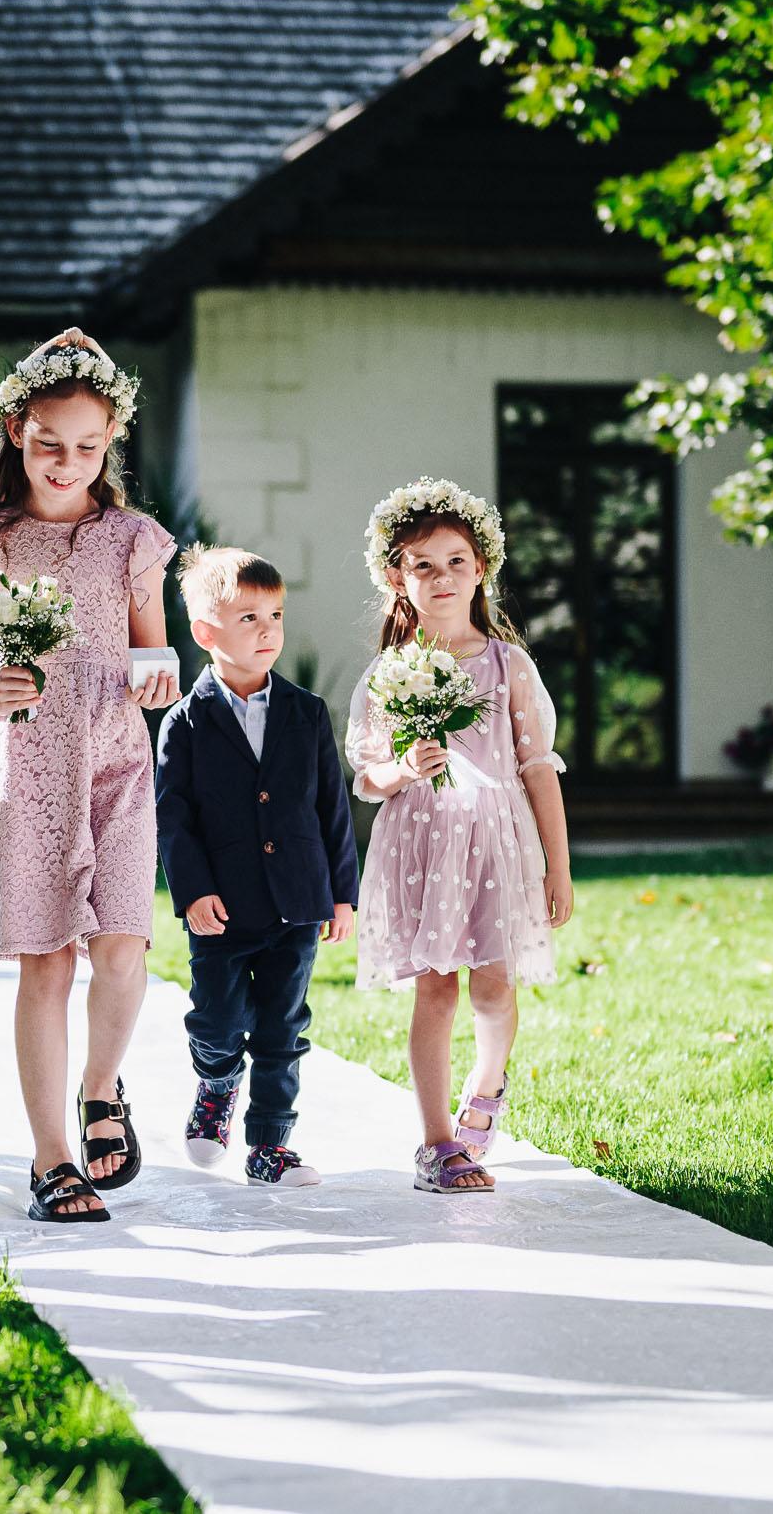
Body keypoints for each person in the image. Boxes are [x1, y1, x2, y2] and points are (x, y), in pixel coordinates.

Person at [0, 331, 181, 1224]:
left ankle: (101, 1085)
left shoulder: (133, 541)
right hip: (26, 763)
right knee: (45, 962)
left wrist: (158, 675)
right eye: (48, 444)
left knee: (122, 945)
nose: (67, 463)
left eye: (87, 446)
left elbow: (154, 647)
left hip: (115, 761)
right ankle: (51, 1158)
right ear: (15, 431)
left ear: (111, 440)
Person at [345, 478, 575, 1194]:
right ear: (398, 578)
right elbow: (367, 775)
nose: (441, 577)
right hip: (422, 848)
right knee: (436, 990)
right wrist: (403, 768)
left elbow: (537, 769)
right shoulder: (391, 673)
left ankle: (488, 1079)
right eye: (423, 565)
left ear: (481, 570)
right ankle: (437, 1141)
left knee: (494, 989)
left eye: (456, 562)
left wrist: (559, 868)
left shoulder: (508, 665)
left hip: (497, 846)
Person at [153, 546, 358, 1189]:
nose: (268, 630)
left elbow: (331, 807)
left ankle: (270, 1145)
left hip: (297, 901)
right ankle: (217, 1082)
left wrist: (342, 894)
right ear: (206, 633)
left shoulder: (306, 712)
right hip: (221, 907)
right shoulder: (184, 723)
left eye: (275, 616)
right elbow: (173, 819)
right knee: (216, 1021)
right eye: (249, 618)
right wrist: (192, 892)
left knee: (282, 1027)